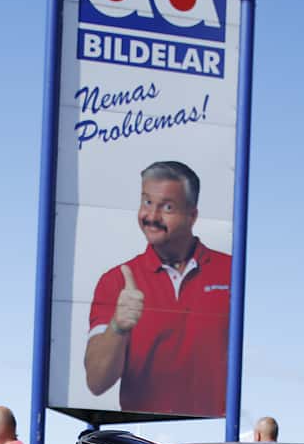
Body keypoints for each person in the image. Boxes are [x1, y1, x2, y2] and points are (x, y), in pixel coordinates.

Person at [83, 161, 233, 417]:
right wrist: (118, 326)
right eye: (146, 202)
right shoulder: (116, 281)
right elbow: (96, 382)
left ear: (192, 216)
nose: (152, 217)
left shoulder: (231, 271)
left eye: (167, 207)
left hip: (214, 439)